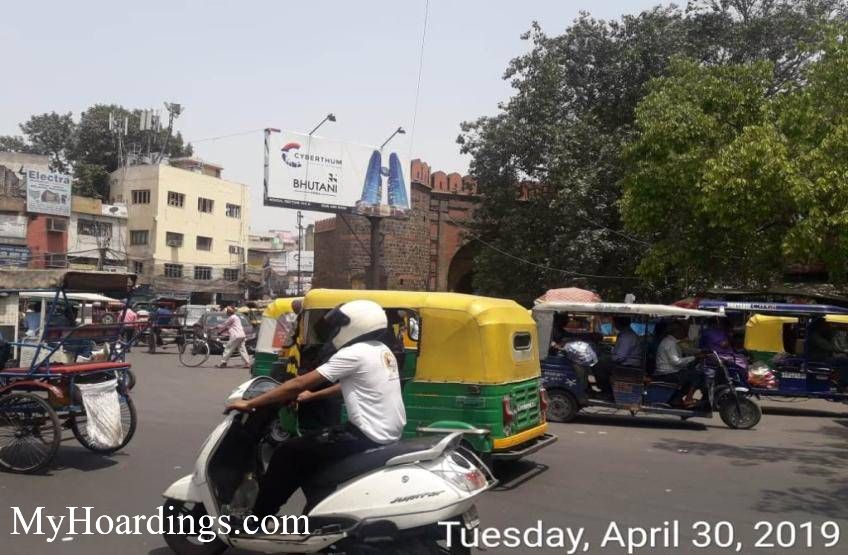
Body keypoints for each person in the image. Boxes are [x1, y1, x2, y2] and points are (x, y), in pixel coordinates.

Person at [226, 300, 406, 518]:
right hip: (383, 433)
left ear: (357, 324)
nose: (335, 331)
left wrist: (250, 403)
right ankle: (316, 511)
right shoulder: (381, 350)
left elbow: (299, 383)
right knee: (310, 451)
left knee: (286, 453)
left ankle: (259, 517)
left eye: (339, 325)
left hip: (365, 435)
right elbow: (347, 384)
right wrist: (313, 396)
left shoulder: (354, 353)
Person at [655, 321, 703, 407]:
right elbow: (676, 362)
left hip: (670, 371)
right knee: (697, 375)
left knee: (691, 373)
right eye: (682, 330)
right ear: (677, 332)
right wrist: (694, 357)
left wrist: (701, 352)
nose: (684, 333)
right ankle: (688, 398)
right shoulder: (670, 343)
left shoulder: (672, 341)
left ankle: (677, 398)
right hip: (668, 373)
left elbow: (686, 350)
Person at [594, 316, 644, 396]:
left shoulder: (626, 336)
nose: (613, 324)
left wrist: (610, 357)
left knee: (598, 365)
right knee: (603, 361)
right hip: (627, 363)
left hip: (627, 365)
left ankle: (606, 392)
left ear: (617, 323)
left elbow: (620, 357)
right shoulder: (626, 334)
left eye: (613, 322)